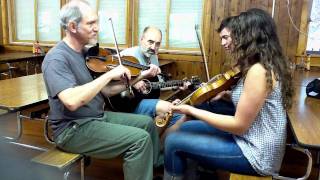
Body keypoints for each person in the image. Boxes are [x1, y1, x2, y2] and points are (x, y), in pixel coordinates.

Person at [164, 8, 294, 179]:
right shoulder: (263, 64)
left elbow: (238, 125)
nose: (235, 39)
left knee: (173, 142)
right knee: (187, 127)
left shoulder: (258, 71)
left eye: (239, 33)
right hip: (249, 138)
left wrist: (191, 110)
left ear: (251, 36)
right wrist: (227, 95)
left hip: (256, 153)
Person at [41, 1, 161, 179]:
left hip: (95, 117)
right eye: (91, 23)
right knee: (139, 140)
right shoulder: (56, 59)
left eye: (96, 22)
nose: (97, 28)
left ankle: (151, 170)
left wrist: (141, 76)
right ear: (73, 26)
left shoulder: (85, 54)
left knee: (147, 124)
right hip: (72, 129)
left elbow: (104, 92)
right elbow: (72, 102)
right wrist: (108, 75)